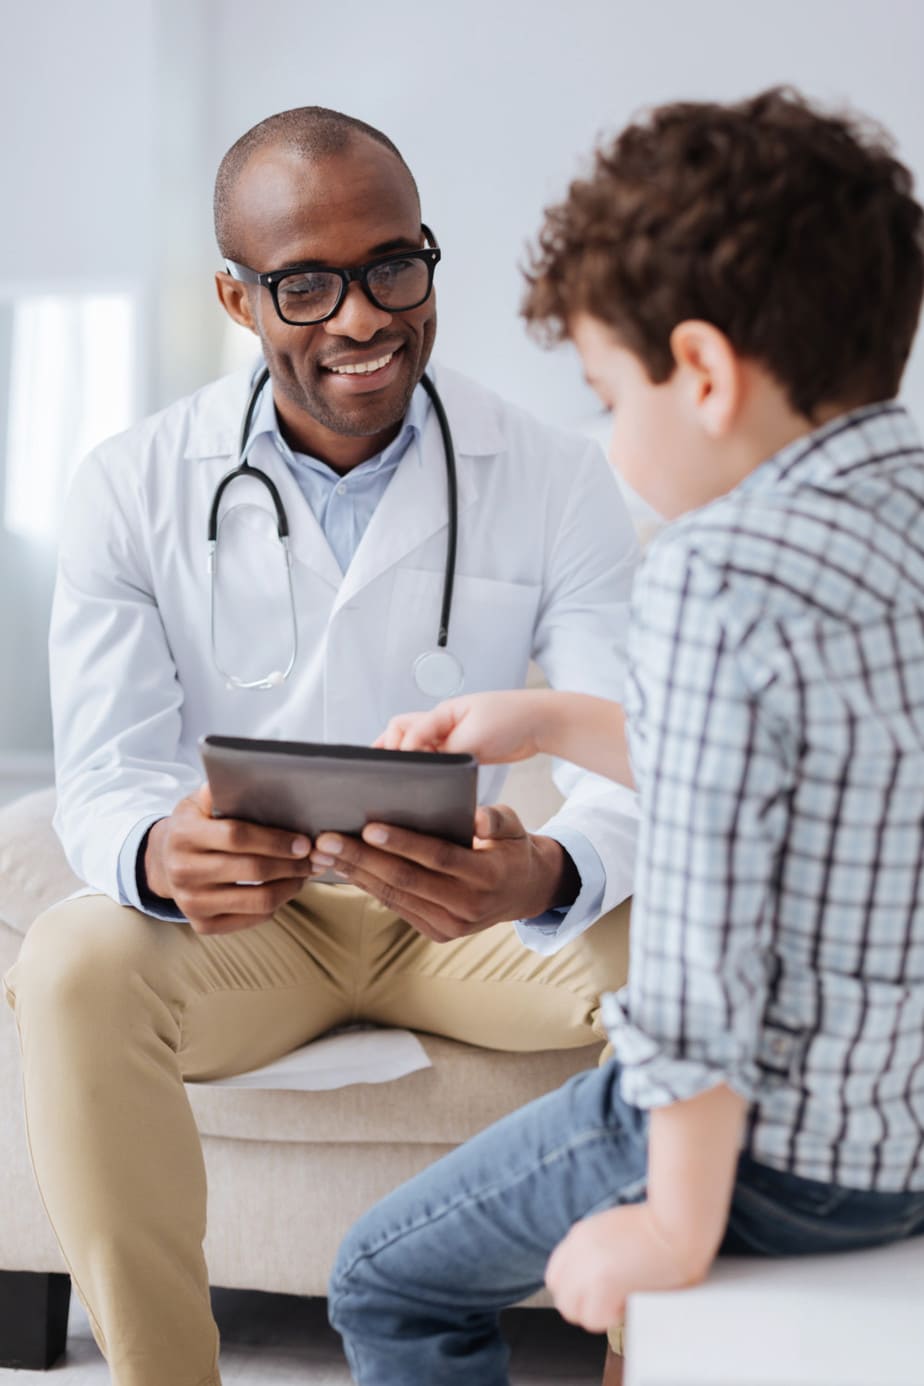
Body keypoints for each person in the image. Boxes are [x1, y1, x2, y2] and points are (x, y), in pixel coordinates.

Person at [3, 108, 641, 1385]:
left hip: (472, 921)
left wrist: (550, 874)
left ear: (428, 256)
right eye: (307, 284)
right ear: (238, 298)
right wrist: (155, 852)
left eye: (394, 265)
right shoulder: (132, 485)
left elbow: (635, 749)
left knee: (699, 946)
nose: (362, 318)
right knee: (74, 959)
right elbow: (109, 770)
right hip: (254, 927)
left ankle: (655, 1359)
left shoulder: (560, 477)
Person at [327, 88, 924, 1386]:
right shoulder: (905, 516)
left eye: (609, 393)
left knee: (382, 1278)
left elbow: (705, 963)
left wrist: (671, 1219)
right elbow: (808, 778)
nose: (605, 436)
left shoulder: (721, 573)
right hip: (905, 1136)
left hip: (778, 1148)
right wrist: (544, 716)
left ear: (702, 372)